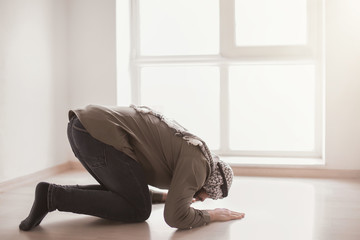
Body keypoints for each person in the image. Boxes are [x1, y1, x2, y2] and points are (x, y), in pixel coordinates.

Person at [19, 105, 245, 231]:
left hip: (83, 129)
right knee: (139, 210)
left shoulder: (195, 152)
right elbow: (174, 218)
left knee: (132, 198)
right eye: (210, 195)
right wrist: (211, 216)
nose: (204, 199)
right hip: (97, 136)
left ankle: (51, 195)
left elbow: (133, 184)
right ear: (211, 181)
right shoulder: (199, 166)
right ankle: (54, 198)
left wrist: (164, 196)